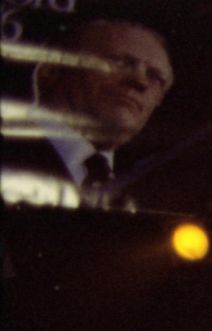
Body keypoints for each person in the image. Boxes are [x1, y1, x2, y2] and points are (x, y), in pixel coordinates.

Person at [1, 17, 172, 208]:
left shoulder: (149, 195)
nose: (140, 82)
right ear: (52, 70)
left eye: (155, 77)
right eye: (120, 62)